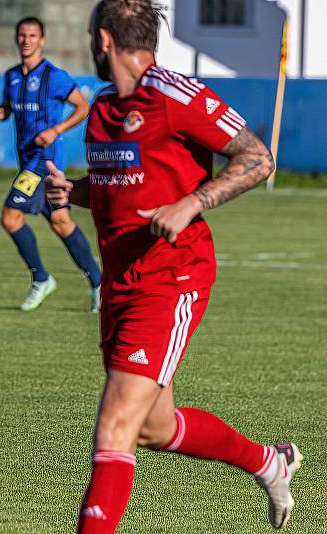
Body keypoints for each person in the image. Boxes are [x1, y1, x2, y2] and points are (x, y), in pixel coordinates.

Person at [45, 1, 302, 531]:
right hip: (120, 283)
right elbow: (120, 187)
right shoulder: (101, 107)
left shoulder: (175, 94)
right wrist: (75, 191)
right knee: (153, 428)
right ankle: (267, 462)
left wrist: (192, 203)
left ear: (105, 39)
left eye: (93, 33)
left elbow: (258, 158)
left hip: (171, 280)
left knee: (115, 423)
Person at [0, 16, 102, 312]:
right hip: (27, 160)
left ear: (42, 40)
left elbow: (83, 106)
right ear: (16, 38)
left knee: (10, 216)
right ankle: (100, 283)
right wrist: (0, 113)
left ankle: (41, 278)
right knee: (62, 222)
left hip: (44, 162)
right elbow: (9, 107)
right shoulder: (12, 76)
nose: (26, 40)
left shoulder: (55, 76)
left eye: (32, 35)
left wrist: (55, 130)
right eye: (22, 35)